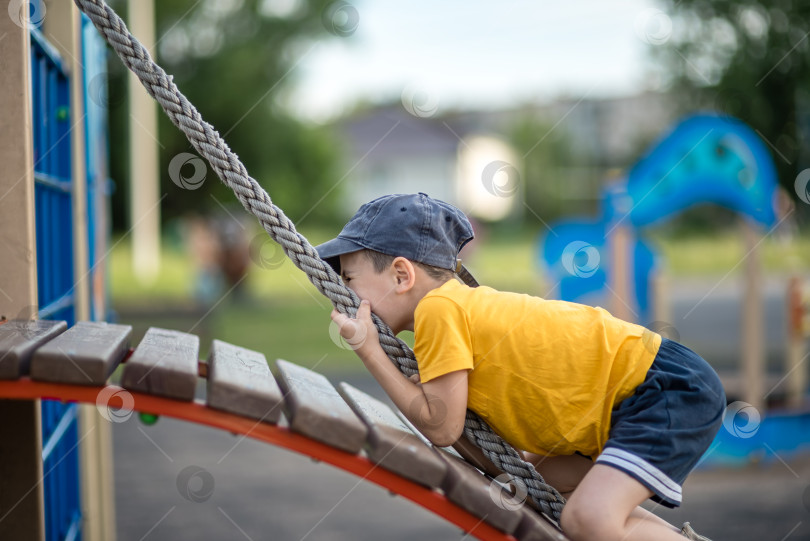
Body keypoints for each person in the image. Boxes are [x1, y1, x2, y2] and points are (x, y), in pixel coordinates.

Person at [318, 193, 725, 541]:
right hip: (634, 398)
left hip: (660, 389)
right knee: (537, 489)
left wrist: (369, 350)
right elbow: (479, 440)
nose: (343, 294)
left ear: (402, 274)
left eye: (349, 279)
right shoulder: (454, 312)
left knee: (587, 519)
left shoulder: (439, 311)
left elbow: (441, 426)